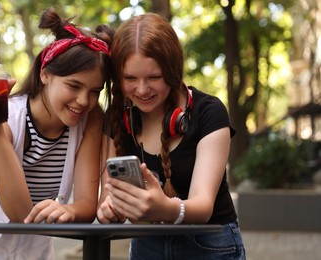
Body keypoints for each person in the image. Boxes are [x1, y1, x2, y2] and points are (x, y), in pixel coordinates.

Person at [0, 7, 114, 260]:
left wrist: (69, 211)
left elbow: (86, 205)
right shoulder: (6, 118)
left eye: (95, 91)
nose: (83, 101)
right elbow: (20, 213)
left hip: (33, 248)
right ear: (45, 74)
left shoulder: (90, 119)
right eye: (74, 86)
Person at [97, 13, 246, 259]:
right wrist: (110, 209)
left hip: (211, 247)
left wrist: (164, 208)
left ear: (173, 70)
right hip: (147, 248)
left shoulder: (209, 112)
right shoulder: (115, 119)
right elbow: (107, 197)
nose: (142, 90)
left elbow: (203, 206)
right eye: (130, 79)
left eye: (154, 77)